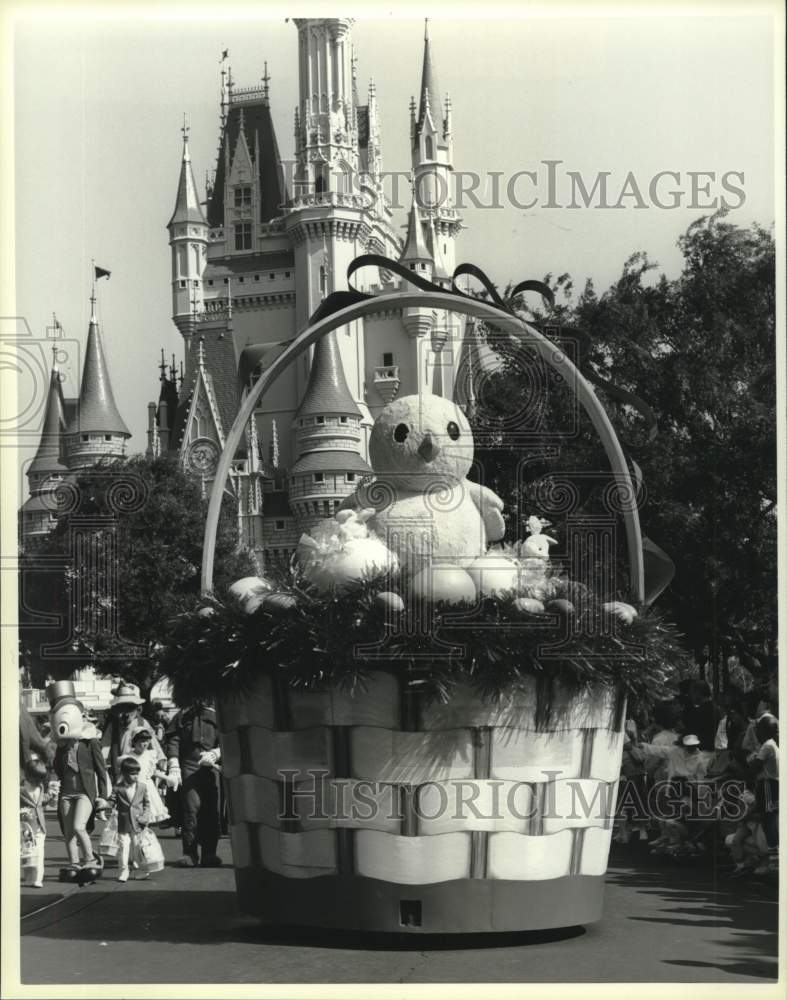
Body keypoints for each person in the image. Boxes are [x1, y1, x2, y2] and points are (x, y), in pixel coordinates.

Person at [49, 683, 112, 880]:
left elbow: (101, 771)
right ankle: (74, 863)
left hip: (85, 792)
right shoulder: (61, 747)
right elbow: (57, 769)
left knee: (78, 827)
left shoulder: (90, 742)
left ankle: (90, 860)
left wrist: (103, 797)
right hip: (66, 792)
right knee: (68, 832)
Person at [165, 700, 222, 868]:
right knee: (190, 809)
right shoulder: (182, 716)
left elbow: (228, 738)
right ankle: (189, 853)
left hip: (212, 767)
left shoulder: (218, 716)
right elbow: (173, 740)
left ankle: (209, 853)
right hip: (188, 766)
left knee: (212, 810)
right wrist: (173, 763)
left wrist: (216, 753)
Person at [101, 684, 164, 782]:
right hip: (121, 770)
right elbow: (105, 746)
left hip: (140, 767)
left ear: (136, 708)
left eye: (129, 708)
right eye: (122, 708)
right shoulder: (113, 725)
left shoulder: (142, 723)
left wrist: (161, 760)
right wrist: (101, 762)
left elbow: (154, 743)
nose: (126, 713)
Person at [112, 756, 151, 883]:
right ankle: (123, 871)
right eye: (132, 774)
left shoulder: (142, 787)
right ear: (124, 774)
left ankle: (144, 870)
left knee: (137, 847)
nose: (136, 776)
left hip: (138, 823)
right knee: (123, 846)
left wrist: (145, 816)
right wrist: (103, 804)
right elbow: (111, 800)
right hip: (123, 823)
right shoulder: (118, 788)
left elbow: (147, 803)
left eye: (137, 773)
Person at [748, 714, 778, 873]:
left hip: (768, 784)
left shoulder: (767, 745)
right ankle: (771, 856)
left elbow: (755, 767)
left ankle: (774, 857)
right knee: (769, 818)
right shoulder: (772, 744)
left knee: (768, 818)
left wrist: (750, 762)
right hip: (771, 784)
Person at [20, 752, 50, 887]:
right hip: (25, 827)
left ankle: (38, 878)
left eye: (41, 780)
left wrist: (51, 796)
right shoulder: (20, 789)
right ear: (28, 776)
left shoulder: (41, 787)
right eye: (36, 779)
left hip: (39, 826)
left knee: (39, 852)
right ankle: (27, 876)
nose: (39, 782)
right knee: (26, 851)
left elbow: (41, 801)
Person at [127, 728, 169, 825]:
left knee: (146, 817)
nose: (145, 744)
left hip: (148, 788)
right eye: (142, 741)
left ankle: (143, 837)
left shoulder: (150, 755)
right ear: (134, 742)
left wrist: (167, 778)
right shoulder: (128, 757)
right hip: (133, 789)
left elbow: (153, 772)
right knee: (133, 818)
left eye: (147, 741)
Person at [682, 681, 719, 752]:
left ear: (698, 693)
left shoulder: (699, 711)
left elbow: (692, 733)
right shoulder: (716, 708)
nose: (691, 696)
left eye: (692, 693)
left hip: (703, 752)